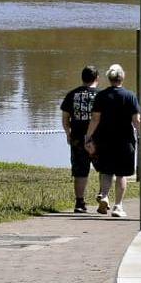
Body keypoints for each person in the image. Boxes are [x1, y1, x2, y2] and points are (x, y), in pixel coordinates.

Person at [84, 64, 140, 219]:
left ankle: (104, 195)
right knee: (122, 175)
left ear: (109, 78)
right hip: (125, 140)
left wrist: (88, 136)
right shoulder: (130, 96)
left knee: (106, 171)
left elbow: (95, 118)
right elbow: (136, 120)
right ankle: (118, 206)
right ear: (122, 77)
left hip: (105, 139)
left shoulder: (101, 96)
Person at [59, 66, 99, 213]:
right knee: (104, 169)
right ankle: (103, 196)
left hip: (77, 138)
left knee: (80, 171)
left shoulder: (72, 94)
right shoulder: (101, 95)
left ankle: (80, 202)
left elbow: (65, 118)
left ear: (82, 78)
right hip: (98, 139)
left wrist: (68, 133)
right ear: (97, 78)